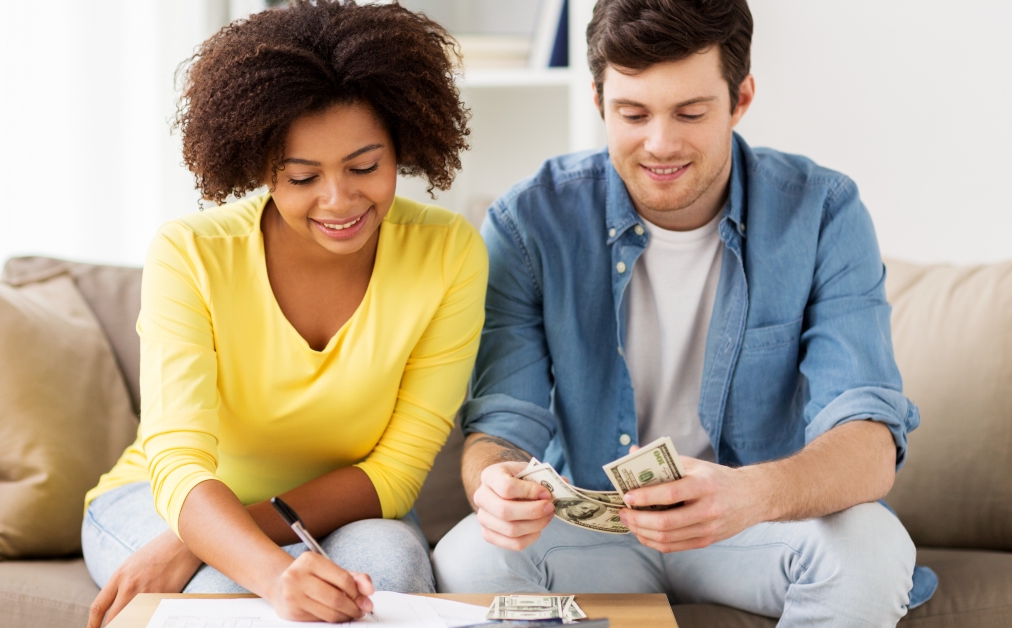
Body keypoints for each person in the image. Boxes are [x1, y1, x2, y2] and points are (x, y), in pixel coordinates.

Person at [432, 0, 937, 625]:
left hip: (754, 524)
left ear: (741, 98)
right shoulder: (527, 223)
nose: (660, 144)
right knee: (467, 558)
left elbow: (868, 440)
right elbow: (502, 422)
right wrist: (497, 485)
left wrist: (750, 494)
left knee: (872, 547)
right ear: (597, 100)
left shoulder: (824, 212)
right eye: (633, 113)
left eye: (691, 113)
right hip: (596, 532)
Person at [80, 1, 484, 626]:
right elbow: (177, 459)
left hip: (348, 508)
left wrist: (212, 545)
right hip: (169, 505)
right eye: (302, 178)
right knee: (228, 598)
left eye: (365, 167)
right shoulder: (190, 254)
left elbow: (395, 471)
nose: (338, 199)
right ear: (260, 167)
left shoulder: (448, 252)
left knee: (388, 584)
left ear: (401, 144)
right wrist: (263, 568)